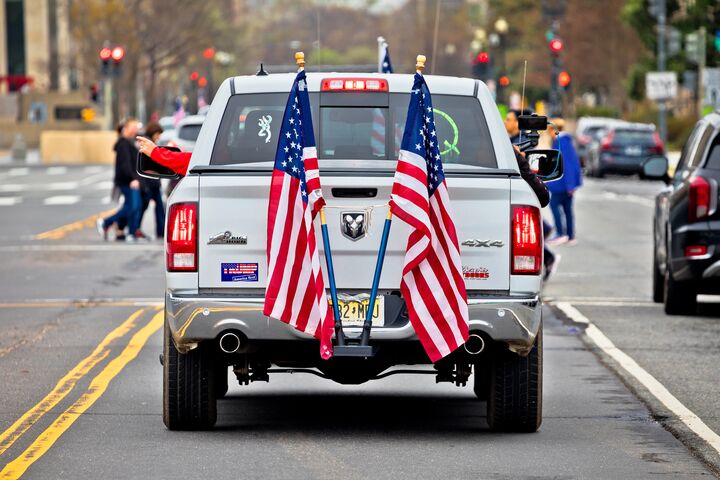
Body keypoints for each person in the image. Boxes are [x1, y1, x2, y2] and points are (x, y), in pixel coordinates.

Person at [97, 119, 143, 242]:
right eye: (133, 126)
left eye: (137, 127)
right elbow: (125, 165)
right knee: (132, 207)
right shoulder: (123, 144)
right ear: (125, 128)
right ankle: (106, 222)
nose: (136, 129)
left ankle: (131, 232)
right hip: (127, 181)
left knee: (135, 206)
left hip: (131, 180)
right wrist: (133, 179)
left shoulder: (130, 142)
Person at [547, 117, 582, 246]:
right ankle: (570, 235)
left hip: (560, 184)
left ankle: (561, 233)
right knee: (567, 209)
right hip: (566, 184)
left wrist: (569, 185)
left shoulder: (560, 142)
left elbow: (566, 164)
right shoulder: (566, 141)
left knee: (554, 205)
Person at [137, 122, 166, 239]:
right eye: (158, 134)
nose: (159, 137)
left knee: (156, 206)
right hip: (148, 182)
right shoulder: (147, 145)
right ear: (154, 132)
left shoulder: (150, 143)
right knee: (144, 206)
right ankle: (135, 228)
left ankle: (160, 230)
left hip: (152, 182)